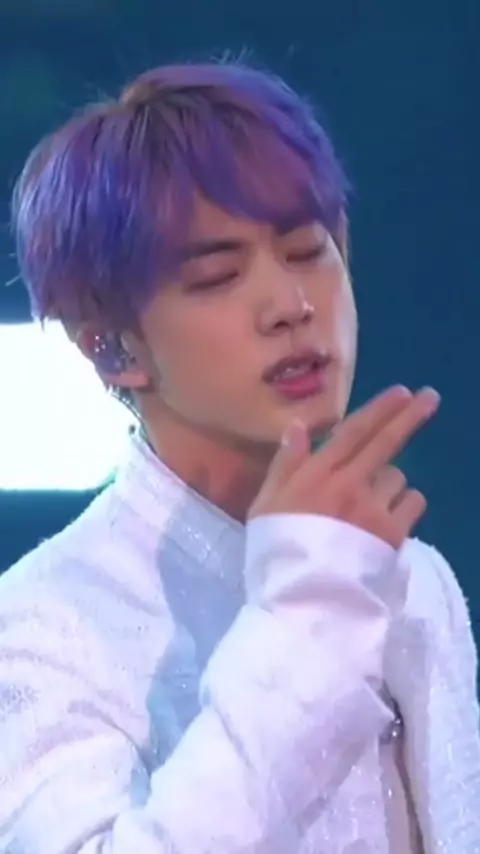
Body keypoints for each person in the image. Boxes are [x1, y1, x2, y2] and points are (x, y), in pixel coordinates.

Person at [0, 61, 478, 854]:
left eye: (307, 251)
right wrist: (312, 607)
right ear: (113, 348)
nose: (292, 306)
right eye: (217, 276)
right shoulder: (42, 626)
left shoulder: (413, 576)